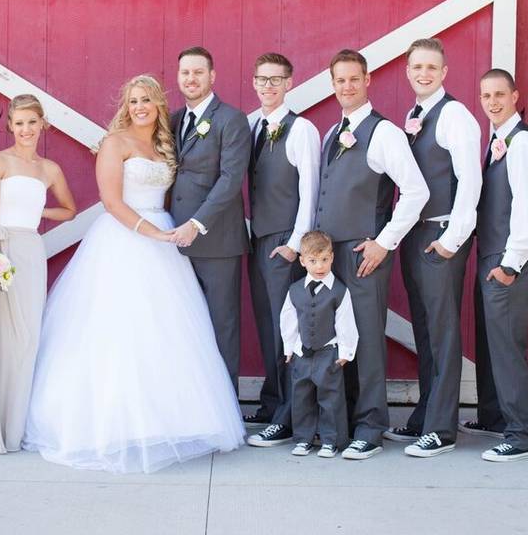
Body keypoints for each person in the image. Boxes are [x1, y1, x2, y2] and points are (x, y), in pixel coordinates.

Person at [23, 75, 245, 473]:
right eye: (132, 100)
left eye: (146, 99)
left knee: (167, 333)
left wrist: (168, 232)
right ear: (125, 106)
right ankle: (113, 423)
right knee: (119, 332)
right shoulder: (116, 143)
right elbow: (111, 201)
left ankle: (170, 419)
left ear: (159, 103)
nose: (139, 106)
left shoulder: (165, 143)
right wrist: (153, 233)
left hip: (165, 241)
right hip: (127, 238)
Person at [315, 49, 429, 460]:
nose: (346, 86)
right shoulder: (332, 133)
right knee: (336, 339)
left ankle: (371, 426)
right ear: (332, 85)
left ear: (368, 81)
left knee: (365, 339)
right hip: (328, 256)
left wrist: (385, 241)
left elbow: (416, 191)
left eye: (353, 79)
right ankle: (340, 424)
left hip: (364, 253)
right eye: (339, 80)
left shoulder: (384, 133)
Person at [0, 94, 75, 454]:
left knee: (25, 336)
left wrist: (38, 214)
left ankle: (14, 425)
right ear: (9, 125)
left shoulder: (49, 169)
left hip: (29, 250)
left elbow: (70, 211)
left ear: (43, 124)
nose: (25, 129)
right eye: (19, 122)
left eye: (32, 122)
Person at [385, 38, 481, 457]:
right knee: (424, 329)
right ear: (408, 71)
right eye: (416, 67)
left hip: (441, 234)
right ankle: (425, 413)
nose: (423, 73)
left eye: (431, 67)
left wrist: (451, 239)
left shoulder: (455, 114)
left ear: (444, 72)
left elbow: (470, 180)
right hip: (416, 234)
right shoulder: (414, 114)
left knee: (441, 331)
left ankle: (441, 429)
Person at [244, 52, 321, 448]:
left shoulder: (301, 129)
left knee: (287, 329)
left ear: (290, 83)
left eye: (276, 79)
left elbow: (310, 189)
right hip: (258, 239)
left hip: (284, 243)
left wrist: (295, 245)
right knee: (267, 327)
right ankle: (273, 400)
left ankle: (290, 414)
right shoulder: (251, 124)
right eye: (262, 79)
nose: (268, 86)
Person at [472, 69, 528, 462]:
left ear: (515, 95)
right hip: (492, 256)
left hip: (509, 260)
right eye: (486, 95)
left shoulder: (524, 144)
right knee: (492, 345)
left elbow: (525, 207)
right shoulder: (497, 141)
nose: (493, 102)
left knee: (507, 349)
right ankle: (496, 418)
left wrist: (510, 264)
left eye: (500, 94)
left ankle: (520, 435)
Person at [169, 47, 251, 391]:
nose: (191, 79)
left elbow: (231, 178)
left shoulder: (230, 119)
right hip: (173, 241)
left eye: (198, 72)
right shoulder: (173, 120)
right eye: (185, 72)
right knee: (182, 325)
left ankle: (224, 403)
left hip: (216, 240)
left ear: (212, 76)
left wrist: (196, 223)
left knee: (222, 325)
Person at [280, 231, 357, 458]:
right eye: (313, 261)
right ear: (303, 261)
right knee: (301, 397)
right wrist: (289, 348)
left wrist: (345, 352)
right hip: (302, 353)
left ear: (332, 257)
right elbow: (288, 320)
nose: (319, 266)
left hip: (328, 353)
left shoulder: (340, 291)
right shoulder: (295, 290)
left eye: (324, 259)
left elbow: (346, 322)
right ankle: (303, 439)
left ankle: (330, 440)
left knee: (330, 398)